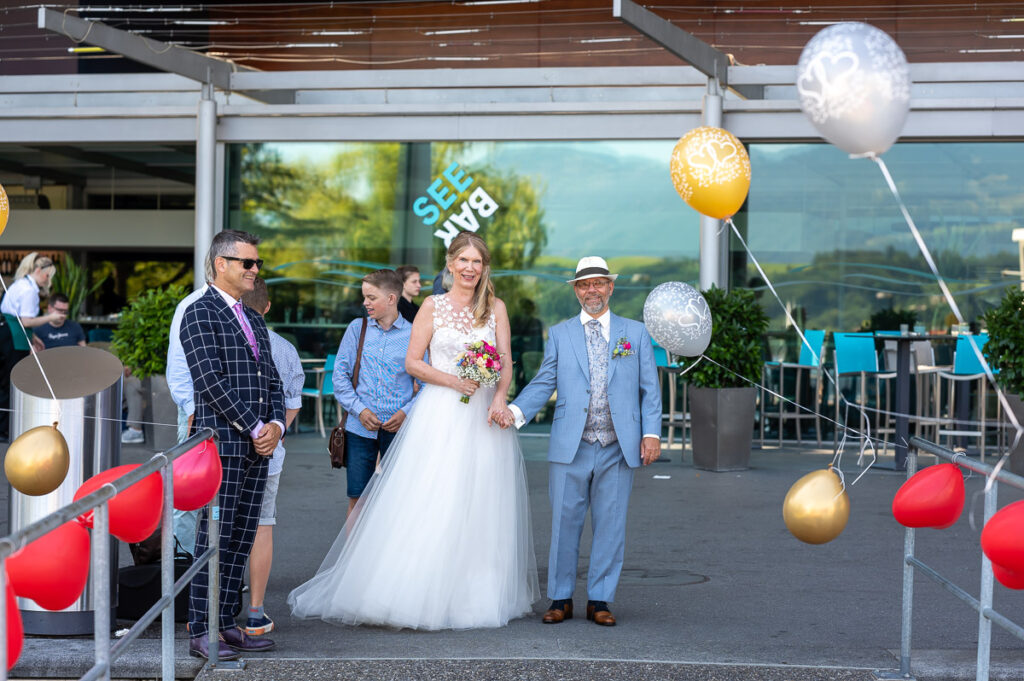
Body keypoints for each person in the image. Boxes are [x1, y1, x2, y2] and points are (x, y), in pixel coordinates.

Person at [289, 232, 538, 630]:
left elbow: (505, 361)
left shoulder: (496, 308)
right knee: (435, 496)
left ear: (483, 268)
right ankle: (416, 589)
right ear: (451, 263)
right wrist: (454, 381)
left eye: (478, 262)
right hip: (441, 413)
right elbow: (413, 363)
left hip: (485, 419)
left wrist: (499, 398)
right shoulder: (432, 307)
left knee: (483, 501)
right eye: (464, 261)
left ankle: (476, 591)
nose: (470, 269)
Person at [502, 255, 661, 627]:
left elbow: (649, 390)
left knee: (611, 524)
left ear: (610, 287)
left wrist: (651, 434)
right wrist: (515, 412)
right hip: (570, 443)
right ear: (576, 290)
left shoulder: (634, 333)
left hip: (618, 445)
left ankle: (600, 600)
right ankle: (560, 599)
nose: (593, 290)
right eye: (585, 284)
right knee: (564, 524)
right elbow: (545, 381)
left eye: (599, 283)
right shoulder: (559, 333)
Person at [180, 229, 285, 661]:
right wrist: (255, 426)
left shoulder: (254, 317)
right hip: (222, 444)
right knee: (214, 538)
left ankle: (226, 624)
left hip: (256, 446)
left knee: (240, 538)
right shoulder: (198, 313)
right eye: (248, 263)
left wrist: (276, 424)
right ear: (221, 263)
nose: (255, 270)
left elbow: (272, 380)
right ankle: (201, 631)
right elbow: (208, 382)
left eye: (257, 263)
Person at [240, 277, 303, 637]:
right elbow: (293, 403)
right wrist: (273, 433)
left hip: (224, 452)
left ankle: (212, 611)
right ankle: (256, 612)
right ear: (267, 307)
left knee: (219, 526)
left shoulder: (223, 339)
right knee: (263, 524)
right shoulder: (284, 348)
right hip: (269, 451)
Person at [332, 269, 419, 515]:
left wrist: (405, 412)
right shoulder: (355, 329)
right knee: (358, 499)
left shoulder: (413, 335)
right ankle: (353, 555)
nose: (365, 303)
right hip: (360, 429)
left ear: (391, 299)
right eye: (364, 297)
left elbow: (425, 385)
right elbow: (340, 376)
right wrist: (359, 410)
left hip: (399, 430)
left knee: (399, 498)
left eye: (371, 297)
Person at [165, 260, 213, 554]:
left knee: (221, 495)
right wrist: (192, 410)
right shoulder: (191, 306)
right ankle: (182, 562)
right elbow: (178, 367)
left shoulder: (241, 308)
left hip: (232, 417)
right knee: (188, 493)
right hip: (197, 412)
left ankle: (217, 569)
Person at [0, 253, 61, 439]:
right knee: (9, 383)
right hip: (12, 338)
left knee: (4, 381)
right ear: (38, 271)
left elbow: (20, 319)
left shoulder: (20, 284)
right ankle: (4, 429)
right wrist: (51, 317)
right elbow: (26, 321)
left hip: (8, 334)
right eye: (47, 275)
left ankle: (4, 427)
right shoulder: (29, 291)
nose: (48, 280)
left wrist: (33, 338)